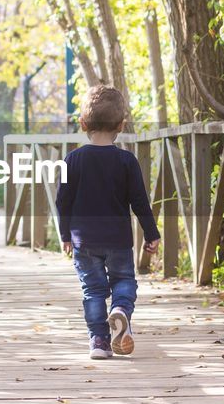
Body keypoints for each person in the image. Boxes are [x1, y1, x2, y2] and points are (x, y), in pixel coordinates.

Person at [55, 85, 160, 359]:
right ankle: (122, 309)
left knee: (93, 289)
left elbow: (62, 201)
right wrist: (152, 233)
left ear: (83, 123)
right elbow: (139, 202)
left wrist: (65, 234)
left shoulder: (72, 160)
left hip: (84, 240)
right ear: (121, 125)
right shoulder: (127, 161)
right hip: (118, 240)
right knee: (123, 279)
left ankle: (99, 341)